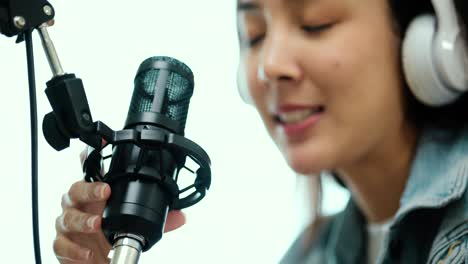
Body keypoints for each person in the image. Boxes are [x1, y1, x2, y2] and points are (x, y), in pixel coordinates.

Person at [54, 0, 468, 263]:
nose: (270, 65)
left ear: (431, 44)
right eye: (255, 35)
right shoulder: (310, 255)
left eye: (315, 23)